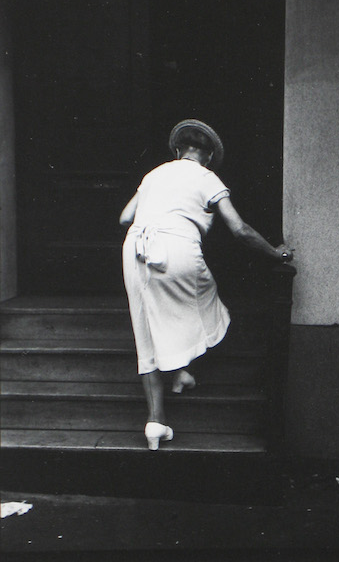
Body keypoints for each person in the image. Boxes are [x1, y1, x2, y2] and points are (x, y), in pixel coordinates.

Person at [120, 119, 293, 450]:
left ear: (177, 150)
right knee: (205, 300)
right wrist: (276, 254)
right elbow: (239, 229)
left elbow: (126, 217)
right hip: (176, 246)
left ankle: (156, 420)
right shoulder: (206, 177)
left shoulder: (154, 174)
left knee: (147, 328)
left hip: (136, 249)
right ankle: (184, 368)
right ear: (209, 156)